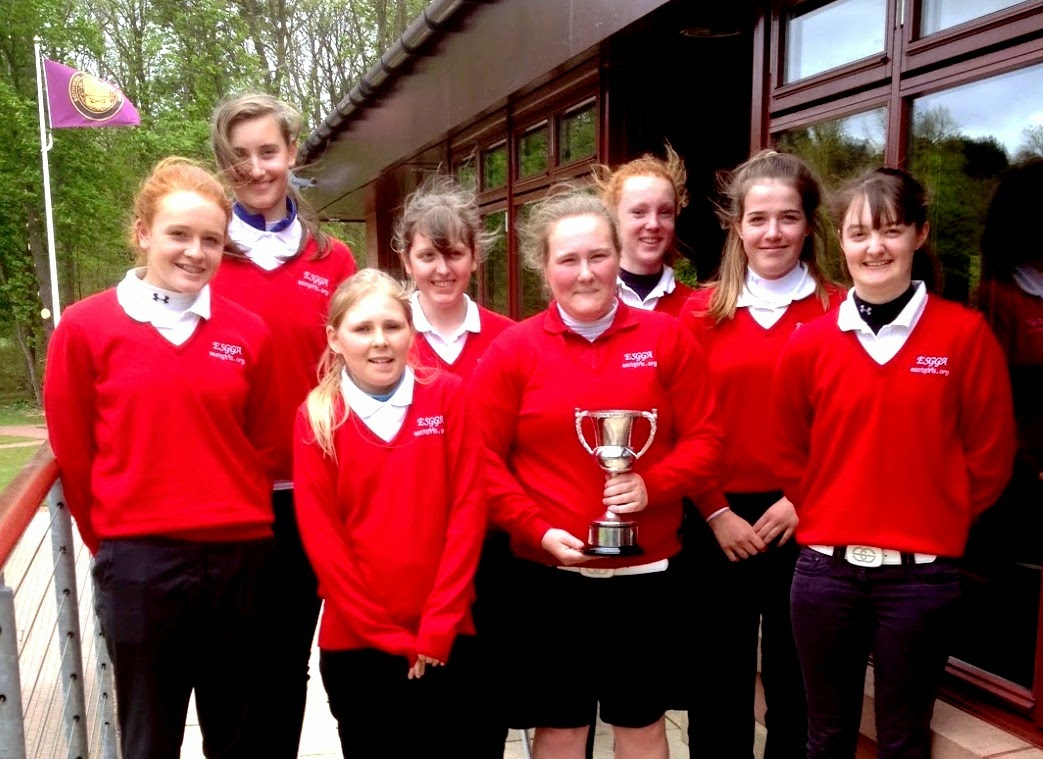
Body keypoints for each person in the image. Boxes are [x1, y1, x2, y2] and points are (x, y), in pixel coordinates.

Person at [771, 167, 1017, 759]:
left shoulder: (964, 335)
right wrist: (832, 505)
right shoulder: (809, 342)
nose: (874, 247)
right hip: (825, 577)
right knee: (826, 735)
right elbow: (787, 449)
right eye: (859, 233)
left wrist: (940, 511)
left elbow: (991, 451)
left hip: (920, 580)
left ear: (919, 235)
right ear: (841, 241)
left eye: (891, 230)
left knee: (904, 739)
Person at [471, 188, 722, 759]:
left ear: (618, 254)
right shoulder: (514, 351)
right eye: (568, 259)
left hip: (647, 573)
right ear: (545, 267)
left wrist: (651, 484)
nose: (585, 273)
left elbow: (708, 440)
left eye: (598, 256)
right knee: (561, 726)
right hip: (548, 579)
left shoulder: (668, 339)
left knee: (641, 724)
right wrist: (535, 529)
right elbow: (481, 461)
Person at [43, 157, 281, 759]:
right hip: (141, 565)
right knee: (151, 737)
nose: (195, 252)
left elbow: (264, 441)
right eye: (179, 234)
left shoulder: (249, 332)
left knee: (240, 734)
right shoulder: (86, 327)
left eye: (211, 239)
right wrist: (119, 544)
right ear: (145, 232)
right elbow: (73, 448)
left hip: (239, 559)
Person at [678, 149, 844, 758]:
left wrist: (800, 499)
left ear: (809, 224)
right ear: (736, 225)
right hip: (715, 519)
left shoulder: (840, 310)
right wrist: (716, 511)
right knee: (716, 682)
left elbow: (851, 425)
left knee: (796, 680)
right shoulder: (697, 314)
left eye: (788, 217)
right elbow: (678, 424)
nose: (773, 232)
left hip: (808, 516)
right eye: (758, 218)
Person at [209, 92, 357, 757]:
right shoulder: (203, 259)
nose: (256, 167)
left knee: (287, 659)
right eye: (239, 156)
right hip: (226, 496)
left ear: (292, 153)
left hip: (311, 493)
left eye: (268, 151)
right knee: (231, 661)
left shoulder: (333, 261)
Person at [292, 268, 485, 758]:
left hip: (447, 635)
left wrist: (437, 626)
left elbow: (467, 513)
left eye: (392, 326)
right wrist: (388, 637)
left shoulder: (448, 395)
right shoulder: (318, 416)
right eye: (362, 329)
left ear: (411, 331)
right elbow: (323, 541)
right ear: (335, 339)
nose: (380, 342)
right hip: (358, 644)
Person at [392, 173, 516, 756]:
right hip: (409, 547)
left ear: (475, 256)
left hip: (490, 546)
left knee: (482, 703)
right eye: (428, 255)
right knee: (411, 705)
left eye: (455, 254)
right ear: (406, 257)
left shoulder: (509, 339)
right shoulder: (383, 337)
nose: (442, 269)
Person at [594, 142, 695, 316]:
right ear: (613, 218)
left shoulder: (694, 309)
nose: (654, 224)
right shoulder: (588, 304)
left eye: (665, 212)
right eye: (639, 212)